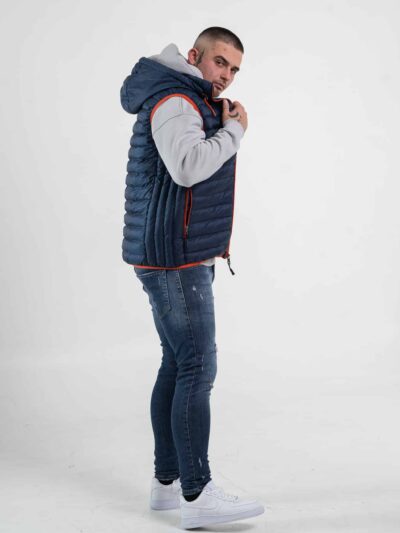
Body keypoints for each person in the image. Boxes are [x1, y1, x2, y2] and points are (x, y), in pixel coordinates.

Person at [120, 27, 264, 529]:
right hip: (174, 258)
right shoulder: (177, 101)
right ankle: (197, 493)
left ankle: (167, 484)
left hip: (174, 253)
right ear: (194, 55)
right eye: (220, 62)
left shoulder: (185, 97)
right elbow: (186, 166)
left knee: (178, 364)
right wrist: (234, 132)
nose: (226, 76)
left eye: (234, 69)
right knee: (198, 367)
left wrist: (221, 124)